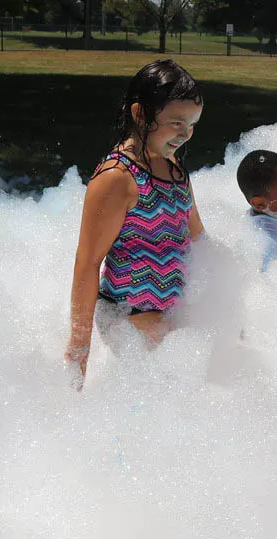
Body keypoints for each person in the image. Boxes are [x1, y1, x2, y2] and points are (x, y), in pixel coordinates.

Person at [65, 59, 207, 387]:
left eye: (192, 124)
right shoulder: (117, 178)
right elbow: (87, 263)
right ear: (141, 114)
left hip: (169, 312)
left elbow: (198, 236)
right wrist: (79, 348)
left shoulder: (173, 169)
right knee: (187, 377)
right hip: (126, 315)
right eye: (176, 122)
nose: (186, 134)